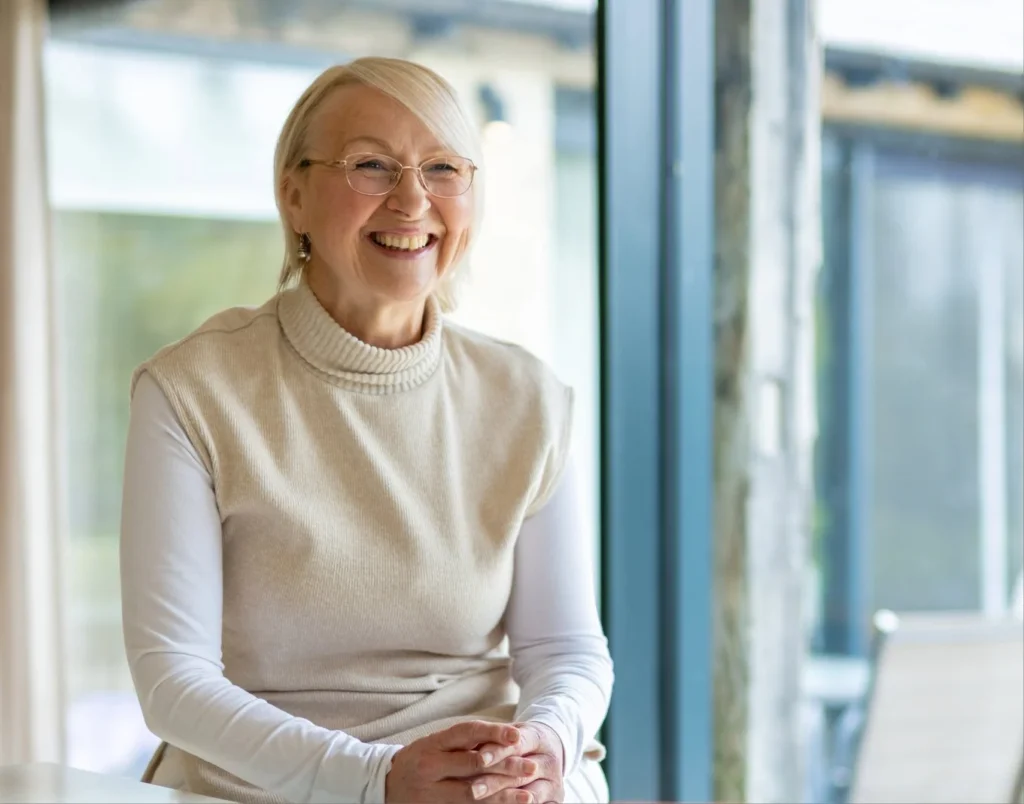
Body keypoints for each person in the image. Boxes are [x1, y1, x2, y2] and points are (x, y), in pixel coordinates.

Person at [119, 56, 613, 804]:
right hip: (262, 786)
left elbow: (567, 650)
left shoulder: (529, 398)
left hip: (483, 785)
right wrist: (375, 779)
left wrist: (544, 746)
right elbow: (173, 682)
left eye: (443, 168)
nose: (413, 200)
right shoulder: (192, 391)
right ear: (293, 195)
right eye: (372, 166)